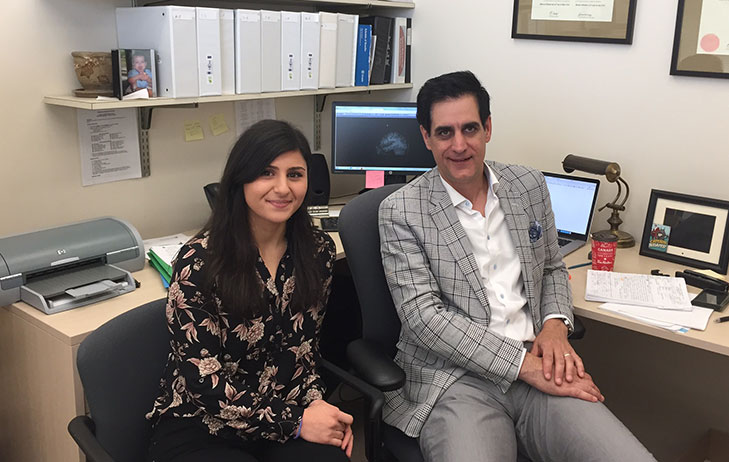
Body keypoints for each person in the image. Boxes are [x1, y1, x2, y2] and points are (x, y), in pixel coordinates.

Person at [378, 71, 656, 461]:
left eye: (470, 128)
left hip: (542, 364)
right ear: (426, 136)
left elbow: (553, 268)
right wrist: (523, 365)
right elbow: (424, 318)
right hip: (456, 381)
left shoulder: (527, 184)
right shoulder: (401, 210)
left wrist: (556, 326)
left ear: (488, 128)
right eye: (444, 133)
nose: (459, 145)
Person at [146, 119, 354, 462]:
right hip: (203, 425)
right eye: (267, 173)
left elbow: (306, 349)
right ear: (240, 180)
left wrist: (318, 405)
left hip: (285, 409)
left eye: (295, 174)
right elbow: (203, 384)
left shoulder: (318, 251)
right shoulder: (200, 262)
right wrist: (298, 421)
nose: (283, 188)